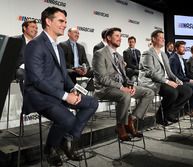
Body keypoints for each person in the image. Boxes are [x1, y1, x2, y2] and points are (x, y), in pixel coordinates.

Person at [23, 7, 98, 166]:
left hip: (57, 93)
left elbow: (63, 75)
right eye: (61, 21)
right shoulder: (34, 45)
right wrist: (65, 96)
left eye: (65, 21)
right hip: (40, 96)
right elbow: (37, 80)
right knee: (68, 119)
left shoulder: (58, 47)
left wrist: (72, 89)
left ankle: (68, 139)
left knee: (92, 103)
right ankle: (50, 148)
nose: (65, 25)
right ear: (48, 22)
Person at [92, 27, 154, 141]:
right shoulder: (99, 54)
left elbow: (124, 76)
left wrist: (129, 85)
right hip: (105, 89)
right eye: (117, 36)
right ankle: (120, 126)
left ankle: (131, 120)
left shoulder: (119, 56)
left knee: (149, 92)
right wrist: (122, 88)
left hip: (121, 87)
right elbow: (102, 78)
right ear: (108, 38)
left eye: (120, 36)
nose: (120, 38)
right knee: (125, 95)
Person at [138, 30, 192, 125]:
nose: (163, 39)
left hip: (164, 81)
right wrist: (167, 82)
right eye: (161, 37)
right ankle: (160, 116)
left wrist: (176, 79)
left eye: (163, 37)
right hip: (153, 82)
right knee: (173, 92)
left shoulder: (163, 54)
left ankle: (170, 113)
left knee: (187, 91)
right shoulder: (147, 53)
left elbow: (169, 72)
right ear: (154, 39)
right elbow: (151, 73)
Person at [169, 41, 193, 116]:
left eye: (184, 47)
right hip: (179, 81)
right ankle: (188, 109)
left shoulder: (182, 59)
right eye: (182, 47)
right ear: (176, 48)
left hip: (185, 80)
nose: (184, 49)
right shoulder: (173, 59)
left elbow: (187, 74)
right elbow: (175, 75)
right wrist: (189, 80)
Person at [15, 20, 38, 94]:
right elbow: (9, 59)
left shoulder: (39, 44)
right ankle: (28, 98)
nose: (35, 30)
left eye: (36, 28)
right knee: (22, 73)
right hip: (20, 69)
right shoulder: (16, 40)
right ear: (24, 28)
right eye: (33, 27)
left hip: (35, 69)